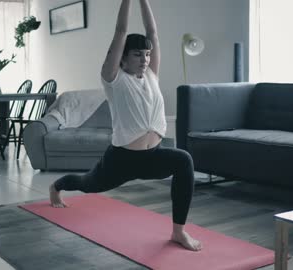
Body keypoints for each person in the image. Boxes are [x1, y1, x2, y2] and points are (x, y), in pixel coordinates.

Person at [49, 0, 202, 252]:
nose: (144, 59)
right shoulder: (113, 79)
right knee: (88, 183)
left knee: (183, 160)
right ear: (122, 58)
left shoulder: (151, 75)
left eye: (147, 54)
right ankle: (57, 186)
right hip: (121, 160)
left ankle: (178, 231)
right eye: (137, 54)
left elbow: (152, 33)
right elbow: (120, 31)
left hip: (153, 155)